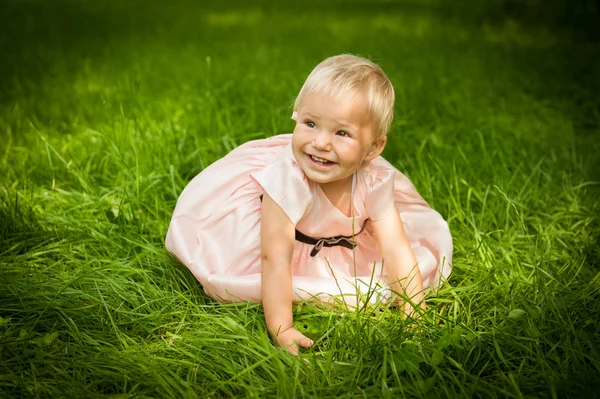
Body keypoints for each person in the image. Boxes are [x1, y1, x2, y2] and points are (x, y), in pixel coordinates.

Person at [166, 54, 452, 355]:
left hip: (342, 245)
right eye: (311, 124)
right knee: (234, 272)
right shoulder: (289, 179)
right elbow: (273, 257)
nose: (321, 143)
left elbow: (395, 248)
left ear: (374, 147)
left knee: (401, 270)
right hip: (281, 242)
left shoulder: (374, 180)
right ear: (296, 115)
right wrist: (282, 328)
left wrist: (414, 318)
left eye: (342, 132)